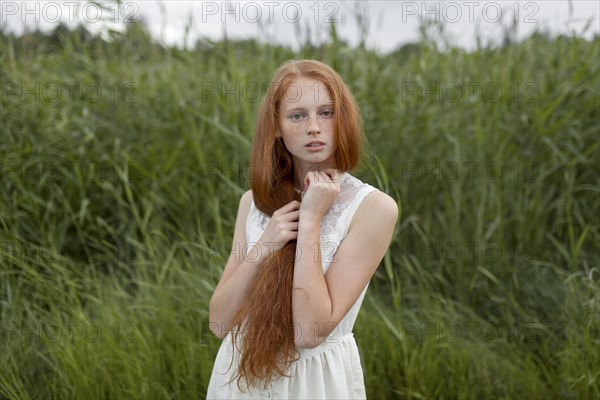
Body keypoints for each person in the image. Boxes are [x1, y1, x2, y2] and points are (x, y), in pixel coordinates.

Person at [207, 59, 398, 399]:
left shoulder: (373, 208)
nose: (314, 127)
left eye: (326, 112)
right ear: (277, 126)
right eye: (297, 115)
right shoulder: (252, 202)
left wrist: (310, 220)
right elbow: (220, 323)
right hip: (239, 376)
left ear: (343, 119)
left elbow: (310, 331)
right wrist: (265, 243)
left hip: (315, 382)